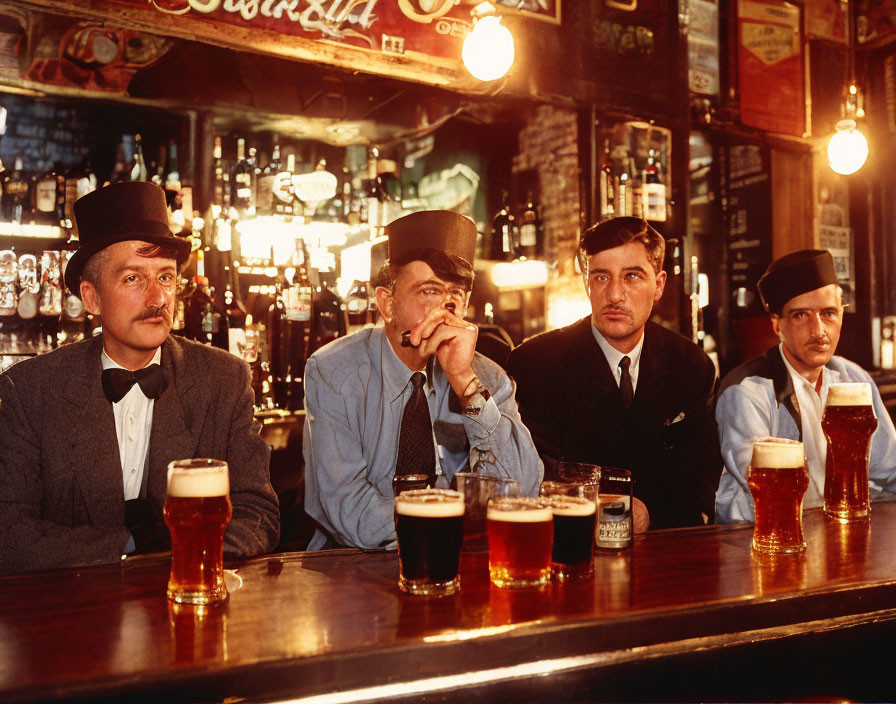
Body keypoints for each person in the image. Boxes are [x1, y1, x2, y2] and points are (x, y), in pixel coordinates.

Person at [0, 182, 279, 575]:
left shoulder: (224, 379)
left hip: (188, 607)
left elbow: (259, 516)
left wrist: (176, 552)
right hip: (75, 620)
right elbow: (9, 534)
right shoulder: (29, 390)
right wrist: (133, 545)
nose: (157, 298)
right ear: (92, 297)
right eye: (133, 278)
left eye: (165, 278)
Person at [303, 209, 543, 550]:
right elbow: (351, 511)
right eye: (429, 291)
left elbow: (521, 490)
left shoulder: (487, 377)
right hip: (351, 568)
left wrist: (463, 380)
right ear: (387, 304)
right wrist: (457, 520)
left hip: (457, 562)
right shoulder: (334, 371)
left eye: (455, 295)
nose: (443, 310)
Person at [505, 217, 722, 531]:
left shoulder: (690, 364)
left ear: (658, 285)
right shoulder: (535, 362)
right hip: (570, 543)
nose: (615, 294)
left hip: (661, 547)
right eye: (601, 277)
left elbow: (701, 476)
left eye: (632, 276)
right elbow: (534, 474)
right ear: (586, 283)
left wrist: (651, 514)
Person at [715, 249, 896, 523]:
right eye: (801, 315)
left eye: (829, 313)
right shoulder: (747, 389)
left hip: (839, 532)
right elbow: (765, 490)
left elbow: (890, 469)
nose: (819, 330)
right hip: (758, 541)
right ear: (778, 324)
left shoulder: (853, 379)